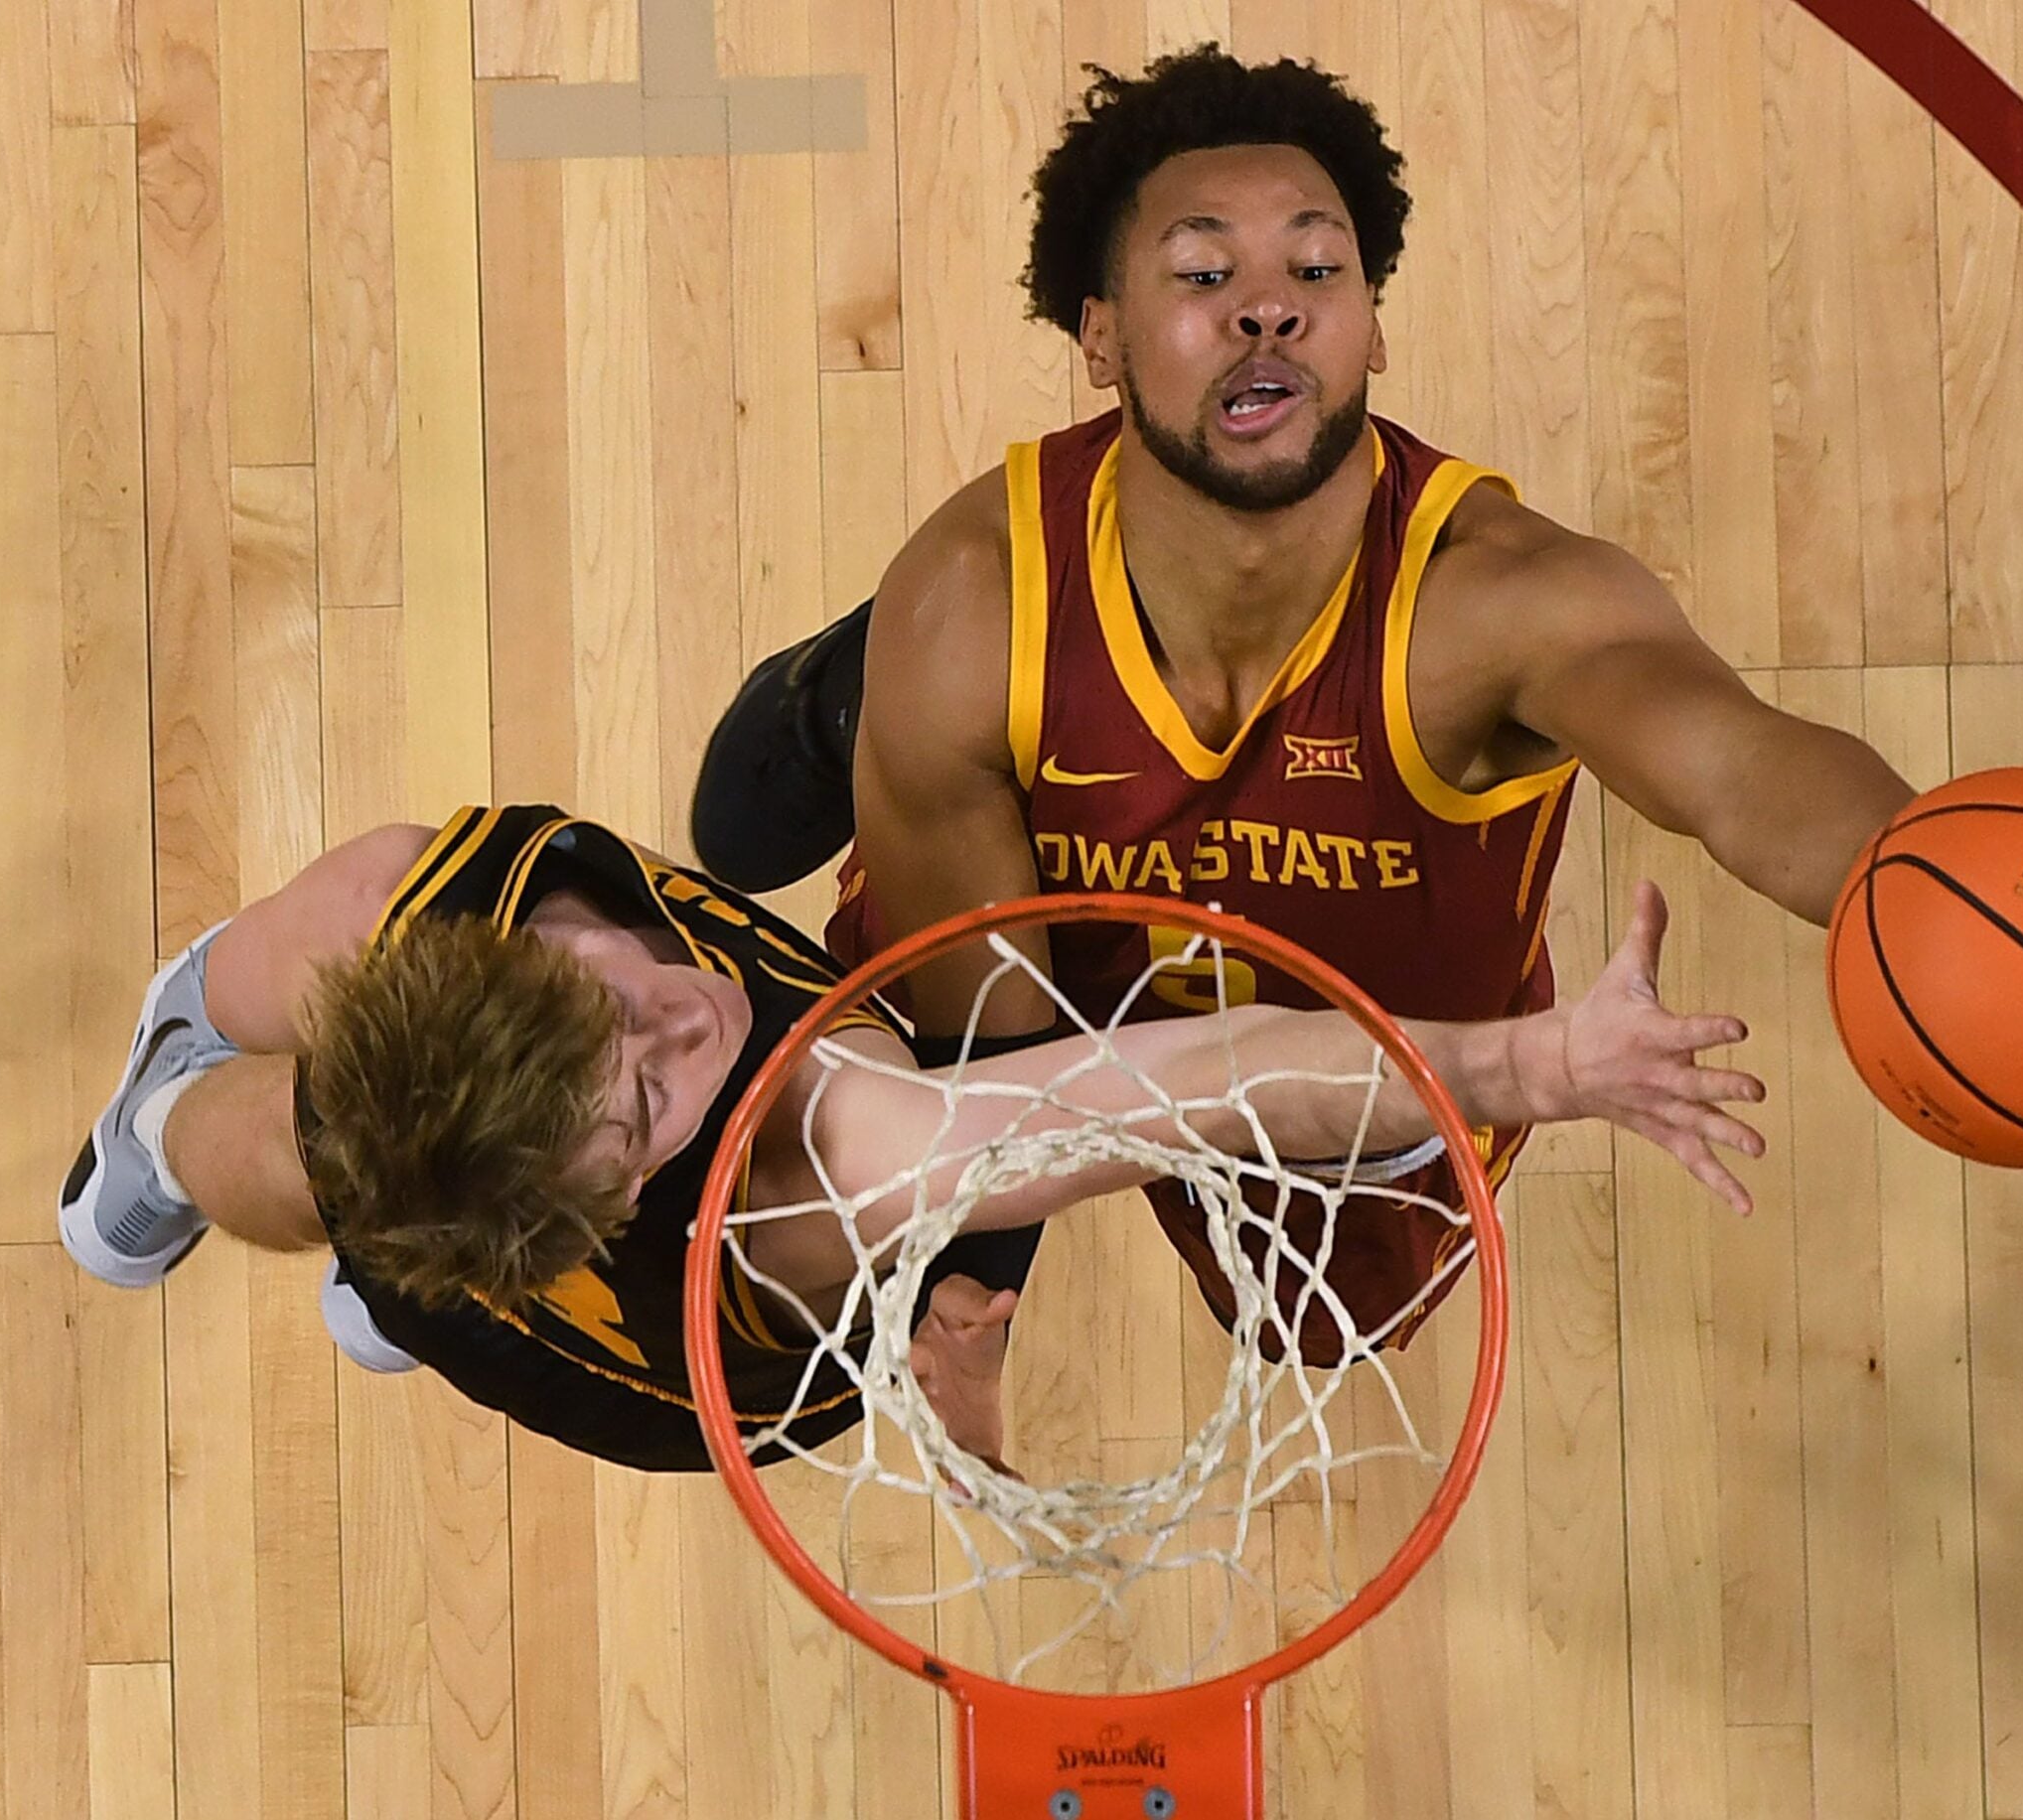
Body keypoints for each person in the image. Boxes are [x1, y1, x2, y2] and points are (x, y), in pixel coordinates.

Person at [690, 46, 1916, 1357]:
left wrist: (1940, 877)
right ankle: (854, 701)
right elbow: (993, 1052)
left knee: (1321, 1330)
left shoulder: (1503, 600)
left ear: (1374, 323)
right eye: (1206, 274)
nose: (1266, 310)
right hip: (1058, 947)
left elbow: (1743, 770)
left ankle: (897, 718)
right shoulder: (978, 598)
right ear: (1098, 333)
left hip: (1358, 1057)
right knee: (803, 1156)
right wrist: (965, 1277)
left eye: (1316, 272)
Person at [60, 803, 1763, 1471]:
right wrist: (1534, 1061)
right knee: (291, 1145)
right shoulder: (811, 1158)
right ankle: (165, 1108)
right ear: (607, 1194)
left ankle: (352, 1225)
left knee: (366, 962)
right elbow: (1190, 1083)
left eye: (613, 1003)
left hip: (598, 1292)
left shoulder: (798, 1143)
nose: (685, 1019)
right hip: (586, 1290)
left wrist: (1524, 1061)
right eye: (643, 1091)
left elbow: (1187, 1084)